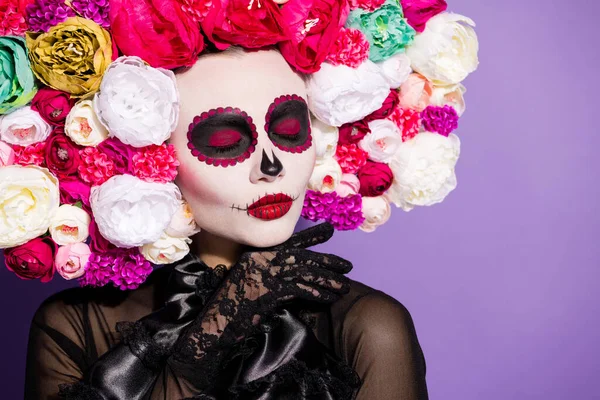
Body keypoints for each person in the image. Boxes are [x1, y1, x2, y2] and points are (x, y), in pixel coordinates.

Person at [0, 0, 479, 398]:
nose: (271, 166)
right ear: (150, 160)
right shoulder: (74, 325)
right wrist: (207, 342)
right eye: (226, 142)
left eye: (290, 129)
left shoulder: (367, 326)